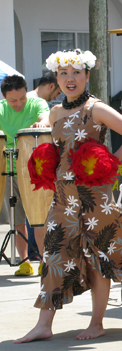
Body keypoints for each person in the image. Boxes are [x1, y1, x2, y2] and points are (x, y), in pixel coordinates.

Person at [14, 49, 122, 343]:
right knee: (54, 254)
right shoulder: (54, 112)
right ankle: (43, 324)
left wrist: (109, 162)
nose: (69, 79)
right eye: (63, 74)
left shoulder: (96, 109)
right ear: (57, 78)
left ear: (87, 76)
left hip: (94, 195)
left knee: (98, 258)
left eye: (76, 72)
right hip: (63, 196)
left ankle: (97, 322)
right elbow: (59, 149)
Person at [0, 75, 50, 276]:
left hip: (33, 168)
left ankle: (45, 261)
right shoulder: (2, 109)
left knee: (39, 217)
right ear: (4, 98)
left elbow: (45, 118)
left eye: (22, 98)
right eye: (13, 100)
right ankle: (24, 261)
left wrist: (41, 123)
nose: (19, 103)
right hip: (7, 167)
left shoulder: (37, 102)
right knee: (17, 217)